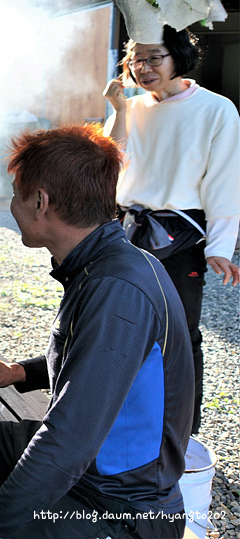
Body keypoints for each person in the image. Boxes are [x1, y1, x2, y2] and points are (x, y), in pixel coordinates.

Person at [0, 125, 193, 539]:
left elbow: (68, 441)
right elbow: (101, 368)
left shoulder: (117, 289)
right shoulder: (104, 263)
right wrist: (17, 372)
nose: (10, 203)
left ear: (41, 201)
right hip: (91, 469)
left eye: (15, 192)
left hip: (120, 506)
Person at [103, 25, 240, 435]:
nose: (143, 68)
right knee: (120, 324)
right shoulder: (134, 107)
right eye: (135, 60)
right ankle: (119, 419)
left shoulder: (217, 110)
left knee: (180, 332)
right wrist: (121, 111)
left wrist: (220, 246)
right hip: (128, 227)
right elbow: (108, 162)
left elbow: (224, 180)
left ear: (178, 55)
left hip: (181, 235)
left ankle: (182, 429)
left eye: (153, 58)